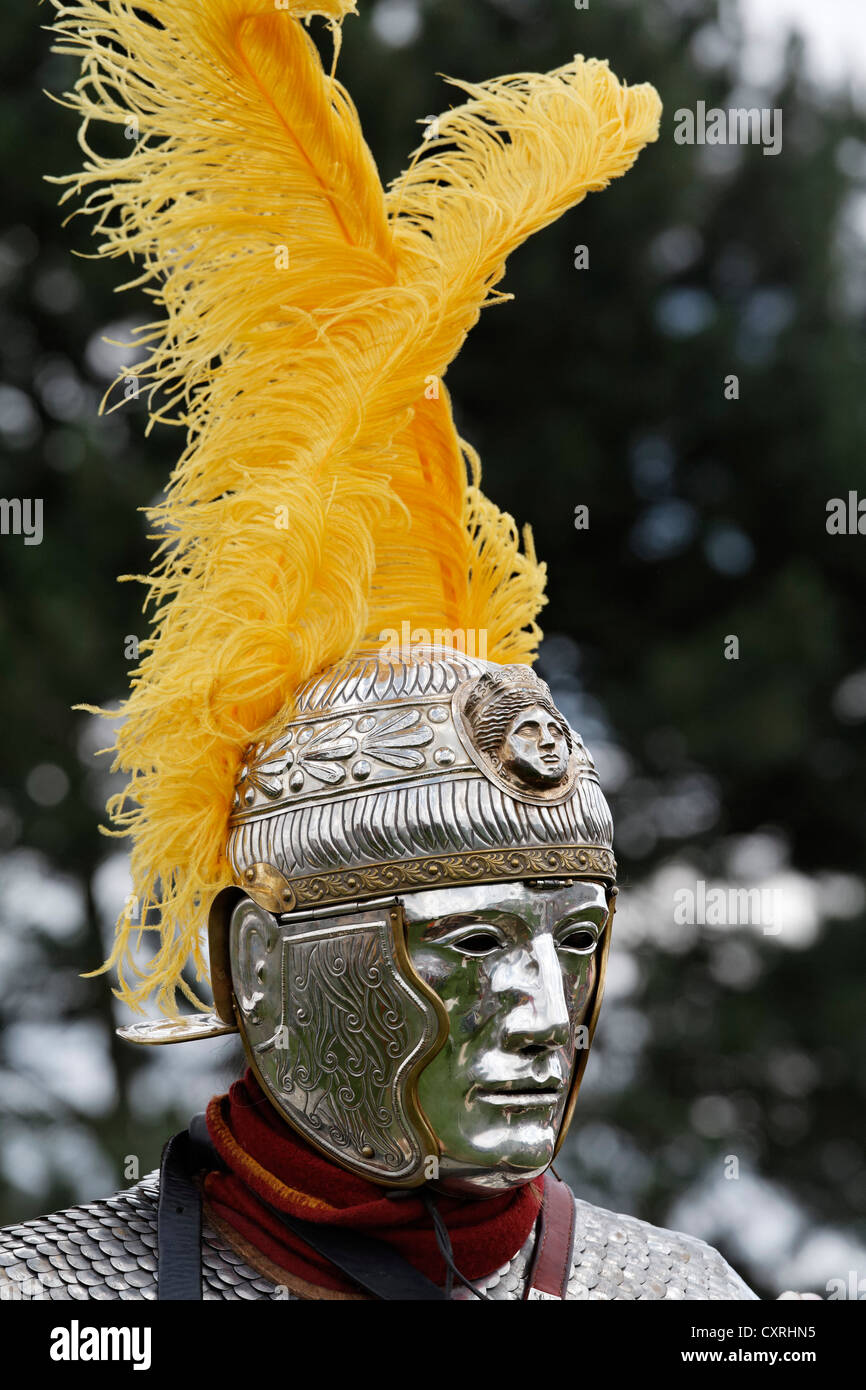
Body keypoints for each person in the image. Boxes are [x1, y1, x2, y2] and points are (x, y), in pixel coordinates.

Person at [0, 0, 765, 1300]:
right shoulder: (60, 1305)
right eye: (469, 941)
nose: (545, 1009)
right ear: (257, 964)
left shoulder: (685, 1298)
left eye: (570, 937)